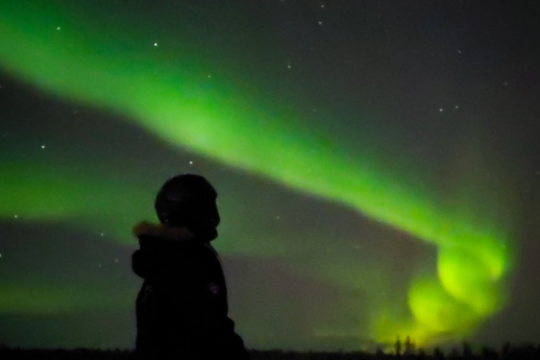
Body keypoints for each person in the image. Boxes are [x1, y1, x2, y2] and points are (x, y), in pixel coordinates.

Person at [132, 174, 248, 360]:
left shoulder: (166, 258)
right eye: (207, 205)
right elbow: (208, 329)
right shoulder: (186, 260)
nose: (214, 213)